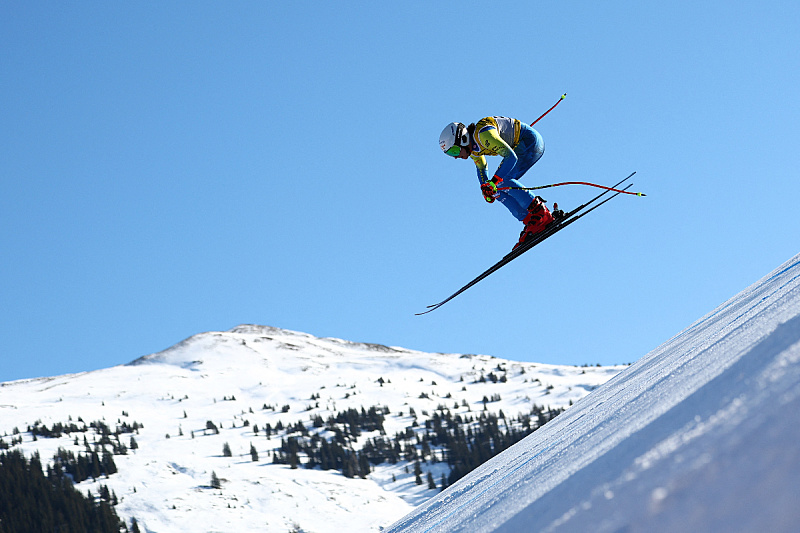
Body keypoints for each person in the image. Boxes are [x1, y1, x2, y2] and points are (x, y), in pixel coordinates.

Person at [439, 117, 563, 249]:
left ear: (463, 139)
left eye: (455, 151)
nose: (456, 157)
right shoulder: (472, 149)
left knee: (500, 182)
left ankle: (541, 214)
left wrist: (492, 182)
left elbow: (511, 157)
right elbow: (481, 167)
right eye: (450, 154)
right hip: (520, 147)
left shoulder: (483, 134)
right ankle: (530, 221)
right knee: (495, 190)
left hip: (530, 142)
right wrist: (485, 188)